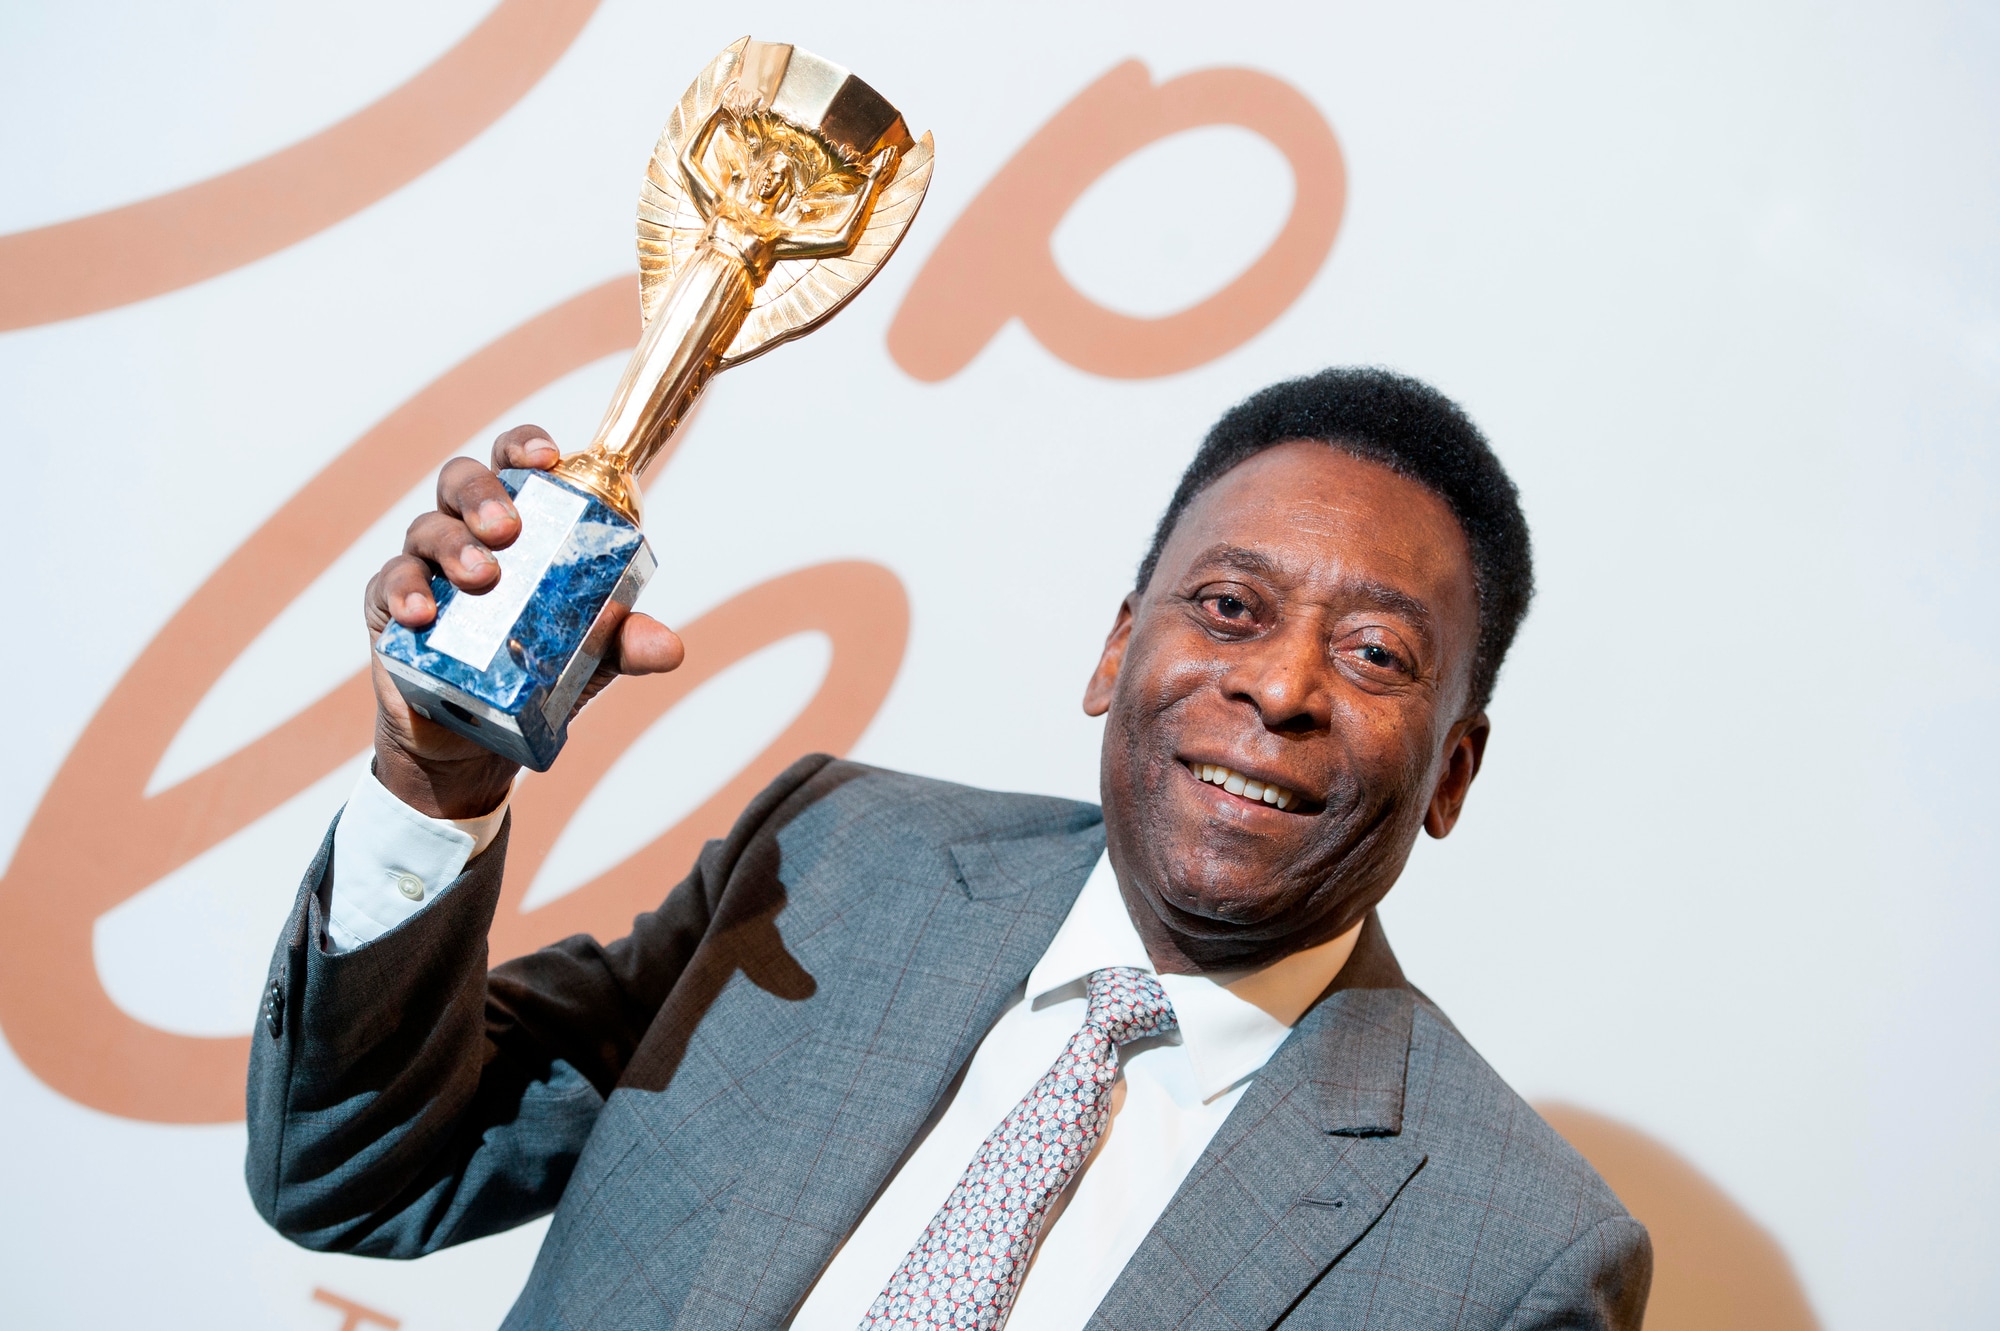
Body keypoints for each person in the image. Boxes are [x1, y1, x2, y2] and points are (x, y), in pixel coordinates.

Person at [247, 367, 1651, 1330]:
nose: (1280, 686)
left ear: (1452, 771)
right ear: (1117, 649)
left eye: (1375, 654)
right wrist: (437, 778)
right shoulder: (835, 860)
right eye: (1229, 607)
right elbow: (356, 1170)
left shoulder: (1513, 1259)